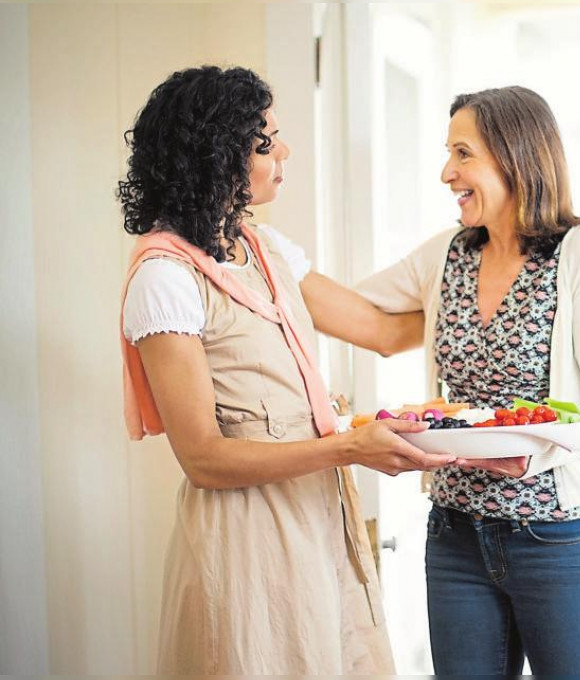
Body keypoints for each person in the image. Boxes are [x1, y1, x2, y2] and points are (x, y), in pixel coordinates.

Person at [117, 65, 454, 674]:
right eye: (266, 140)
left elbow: (381, 332)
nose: (285, 151)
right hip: (247, 535)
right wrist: (348, 447)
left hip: (321, 514)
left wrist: (476, 253)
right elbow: (204, 459)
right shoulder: (163, 279)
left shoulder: (267, 249)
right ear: (218, 153)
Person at [351, 86, 580, 675]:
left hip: (557, 537)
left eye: (462, 153)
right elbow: (360, 314)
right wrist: (264, 255)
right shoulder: (447, 254)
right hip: (456, 533)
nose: (446, 172)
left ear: (514, 156)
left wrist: (531, 456)